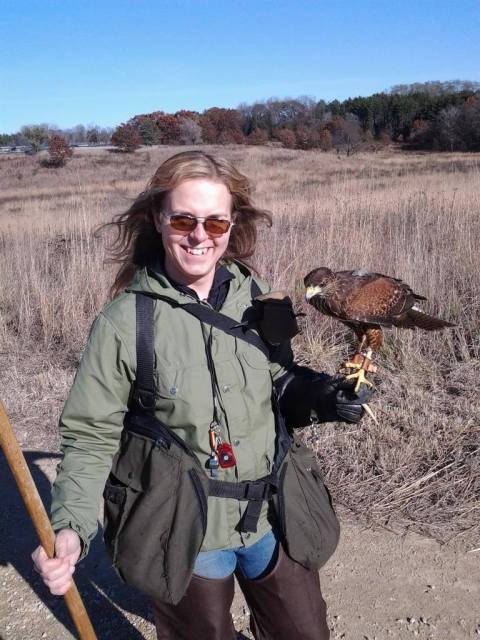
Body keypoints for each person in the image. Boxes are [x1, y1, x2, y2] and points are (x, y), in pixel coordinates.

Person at [32, 150, 372, 640]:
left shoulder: (260, 295)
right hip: (185, 529)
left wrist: (322, 396)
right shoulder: (125, 323)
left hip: (272, 513)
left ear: (232, 226)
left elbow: (279, 381)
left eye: (215, 223)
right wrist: (69, 529)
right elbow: (90, 437)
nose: (199, 236)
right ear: (158, 219)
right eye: (185, 219)